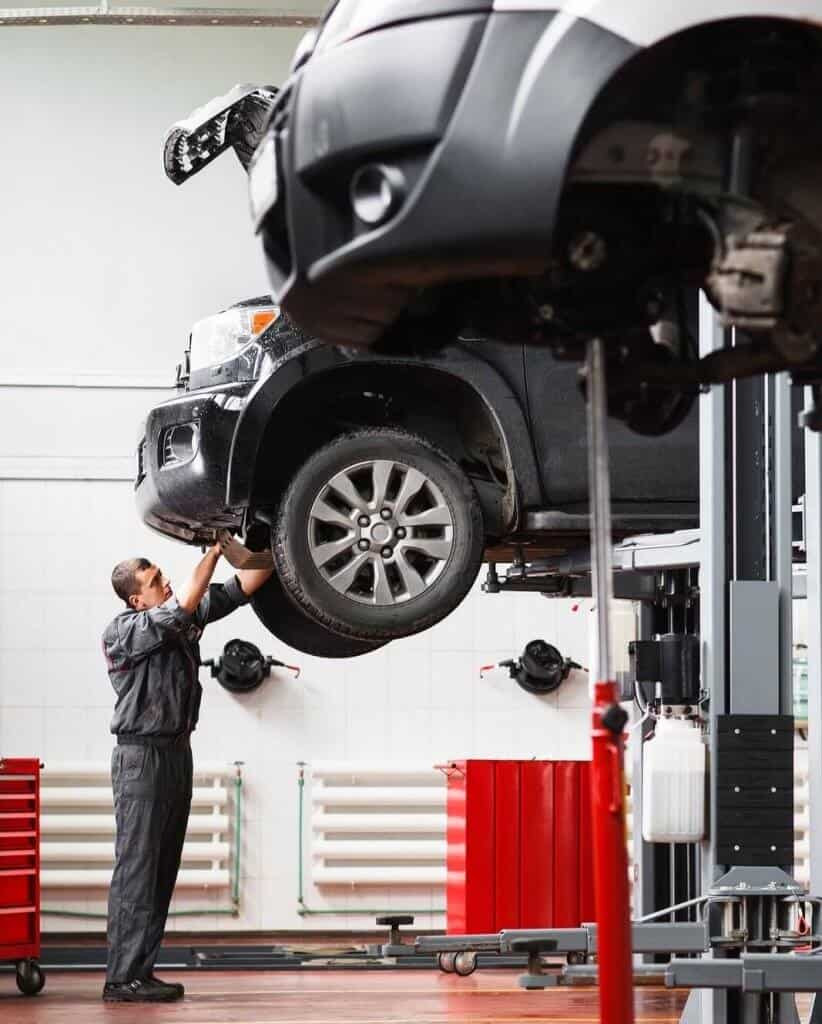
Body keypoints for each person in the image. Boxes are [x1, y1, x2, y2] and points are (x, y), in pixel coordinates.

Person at [100, 541, 272, 1002]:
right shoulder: (125, 630)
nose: (166, 581)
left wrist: (274, 545)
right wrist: (213, 550)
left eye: (162, 574)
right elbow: (186, 601)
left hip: (176, 753)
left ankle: (142, 970)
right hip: (140, 757)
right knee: (138, 867)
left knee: (161, 868)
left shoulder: (180, 620)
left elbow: (243, 586)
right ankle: (121, 978)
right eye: (155, 580)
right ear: (137, 599)